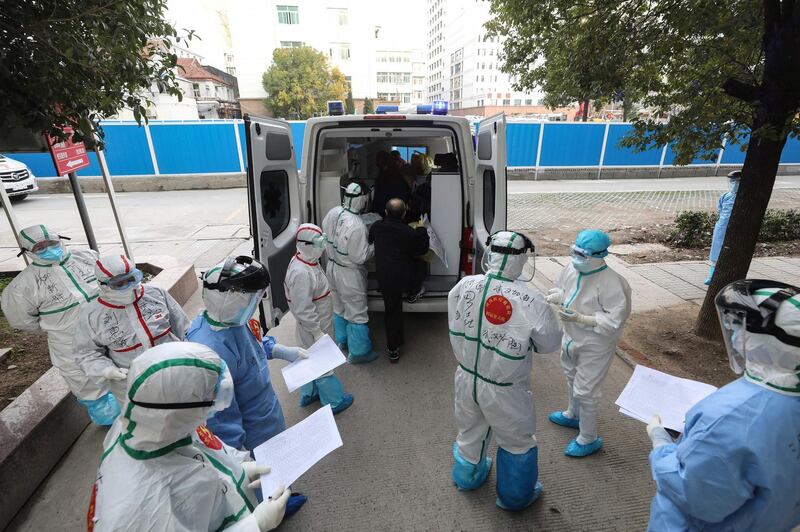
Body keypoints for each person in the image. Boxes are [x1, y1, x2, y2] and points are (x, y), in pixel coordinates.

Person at [646, 279, 800, 531]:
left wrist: (660, 444)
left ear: (774, 343)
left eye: (740, 328)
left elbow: (692, 494)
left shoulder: (731, 416)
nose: (735, 335)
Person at [87, 341, 291, 531]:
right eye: (211, 396)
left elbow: (206, 452)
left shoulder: (159, 426)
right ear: (174, 409)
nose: (216, 405)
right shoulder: (137, 504)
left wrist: (240, 469)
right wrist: (253, 526)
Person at [449, 231, 562, 510]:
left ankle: (466, 477)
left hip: (466, 377)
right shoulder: (532, 301)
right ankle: (514, 498)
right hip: (504, 389)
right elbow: (548, 344)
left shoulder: (465, 286)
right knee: (516, 441)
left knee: (470, 431)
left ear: (490, 254)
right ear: (522, 260)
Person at [0, 224, 119, 425]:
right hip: (68, 341)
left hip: (110, 328)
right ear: (28, 252)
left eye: (52, 243)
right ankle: (112, 424)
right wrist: (59, 326)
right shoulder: (22, 286)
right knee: (87, 382)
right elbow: (22, 321)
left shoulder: (87, 257)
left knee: (124, 367)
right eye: (40, 247)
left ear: (60, 240)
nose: (49, 249)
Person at [187, 255, 305, 451]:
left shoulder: (233, 319)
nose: (251, 304)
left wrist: (279, 350)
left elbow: (254, 342)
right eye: (248, 298)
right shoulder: (208, 350)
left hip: (267, 413)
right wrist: (237, 455)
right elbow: (220, 418)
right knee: (266, 479)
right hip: (252, 436)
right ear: (223, 298)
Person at [546, 229, 631, 457]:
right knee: (570, 377)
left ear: (599, 255)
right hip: (571, 336)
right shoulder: (571, 269)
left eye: (583, 255)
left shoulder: (613, 283)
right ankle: (573, 415)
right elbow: (562, 288)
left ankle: (588, 437)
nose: (576, 259)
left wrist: (582, 318)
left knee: (586, 390)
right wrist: (557, 296)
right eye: (575, 252)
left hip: (596, 343)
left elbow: (614, 320)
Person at [74, 255, 189, 405]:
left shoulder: (156, 294)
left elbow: (182, 326)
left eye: (131, 279)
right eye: (119, 283)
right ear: (103, 285)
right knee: (147, 422)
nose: (128, 286)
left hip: (173, 368)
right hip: (132, 382)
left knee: (186, 410)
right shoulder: (92, 314)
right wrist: (106, 370)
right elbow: (86, 353)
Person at [284, 223, 354, 413]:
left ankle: (311, 393)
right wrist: (316, 332)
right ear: (306, 244)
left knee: (307, 357)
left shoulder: (307, 261)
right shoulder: (301, 273)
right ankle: (334, 401)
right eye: (319, 243)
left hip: (314, 324)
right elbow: (303, 308)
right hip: (315, 326)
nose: (323, 247)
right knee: (322, 362)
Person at [322, 182, 378, 363]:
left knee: (338, 306)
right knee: (357, 312)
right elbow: (360, 257)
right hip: (349, 275)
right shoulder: (358, 226)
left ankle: (343, 341)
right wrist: (374, 246)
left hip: (331, 267)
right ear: (361, 200)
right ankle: (359, 353)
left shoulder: (333, 212)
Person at [368, 199, 430, 362]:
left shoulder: (376, 227)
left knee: (392, 312)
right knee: (422, 265)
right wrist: (422, 228)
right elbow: (422, 249)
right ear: (404, 214)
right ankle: (412, 293)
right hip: (405, 278)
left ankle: (393, 350)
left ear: (386, 212)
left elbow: (370, 239)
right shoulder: (408, 231)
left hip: (385, 279)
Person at [705, 170, 741, 285]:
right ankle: (711, 274)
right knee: (716, 249)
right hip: (721, 226)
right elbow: (720, 209)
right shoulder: (726, 196)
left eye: (737, 182)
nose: (734, 184)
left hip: (734, 227)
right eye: (732, 181)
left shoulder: (744, 197)